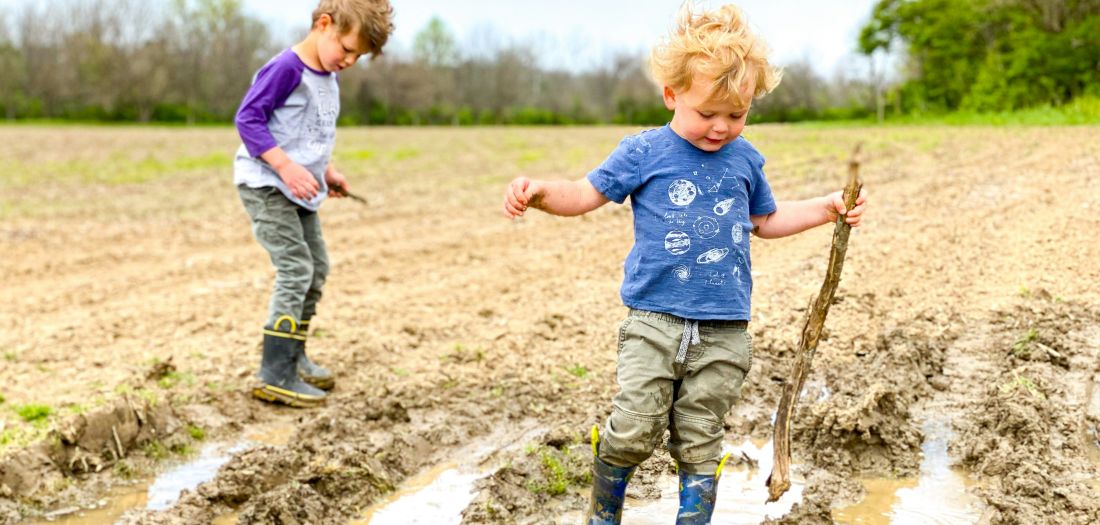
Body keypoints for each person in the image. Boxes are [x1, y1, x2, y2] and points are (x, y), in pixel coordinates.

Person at [502, 4, 867, 523]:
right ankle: (603, 513)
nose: (721, 128)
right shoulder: (643, 152)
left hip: (725, 330)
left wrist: (828, 207)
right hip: (655, 320)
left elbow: (766, 221)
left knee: (701, 438)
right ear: (672, 95)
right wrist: (539, 193)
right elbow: (584, 193)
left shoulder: (745, 160)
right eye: (707, 113)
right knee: (632, 429)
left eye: (736, 115)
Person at [234, 0, 394, 407]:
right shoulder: (287, 68)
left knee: (317, 267)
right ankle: (275, 373)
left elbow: (307, 133)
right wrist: (286, 167)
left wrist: (326, 171)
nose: (351, 60)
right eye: (347, 48)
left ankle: (293, 355)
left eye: (359, 56)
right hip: (267, 186)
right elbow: (248, 119)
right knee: (296, 267)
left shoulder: (328, 75)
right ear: (324, 24)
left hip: (300, 188)